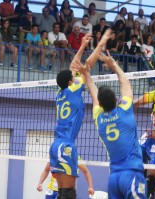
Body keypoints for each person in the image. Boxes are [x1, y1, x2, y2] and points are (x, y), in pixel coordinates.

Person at [74, 29, 147, 198]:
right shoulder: (124, 112)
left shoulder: (99, 118)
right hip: (132, 173)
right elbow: (126, 83)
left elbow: (94, 94)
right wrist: (114, 65)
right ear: (116, 100)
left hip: (113, 177)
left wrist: (87, 76)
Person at [49, 32, 92, 199]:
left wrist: (82, 45)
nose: (74, 76)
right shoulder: (74, 89)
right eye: (73, 77)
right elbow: (83, 67)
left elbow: (73, 67)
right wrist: (97, 47)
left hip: (56, 145)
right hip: (66, 145)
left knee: (62, 193)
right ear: (69, 82)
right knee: (68, 195)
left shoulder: (60, 92)